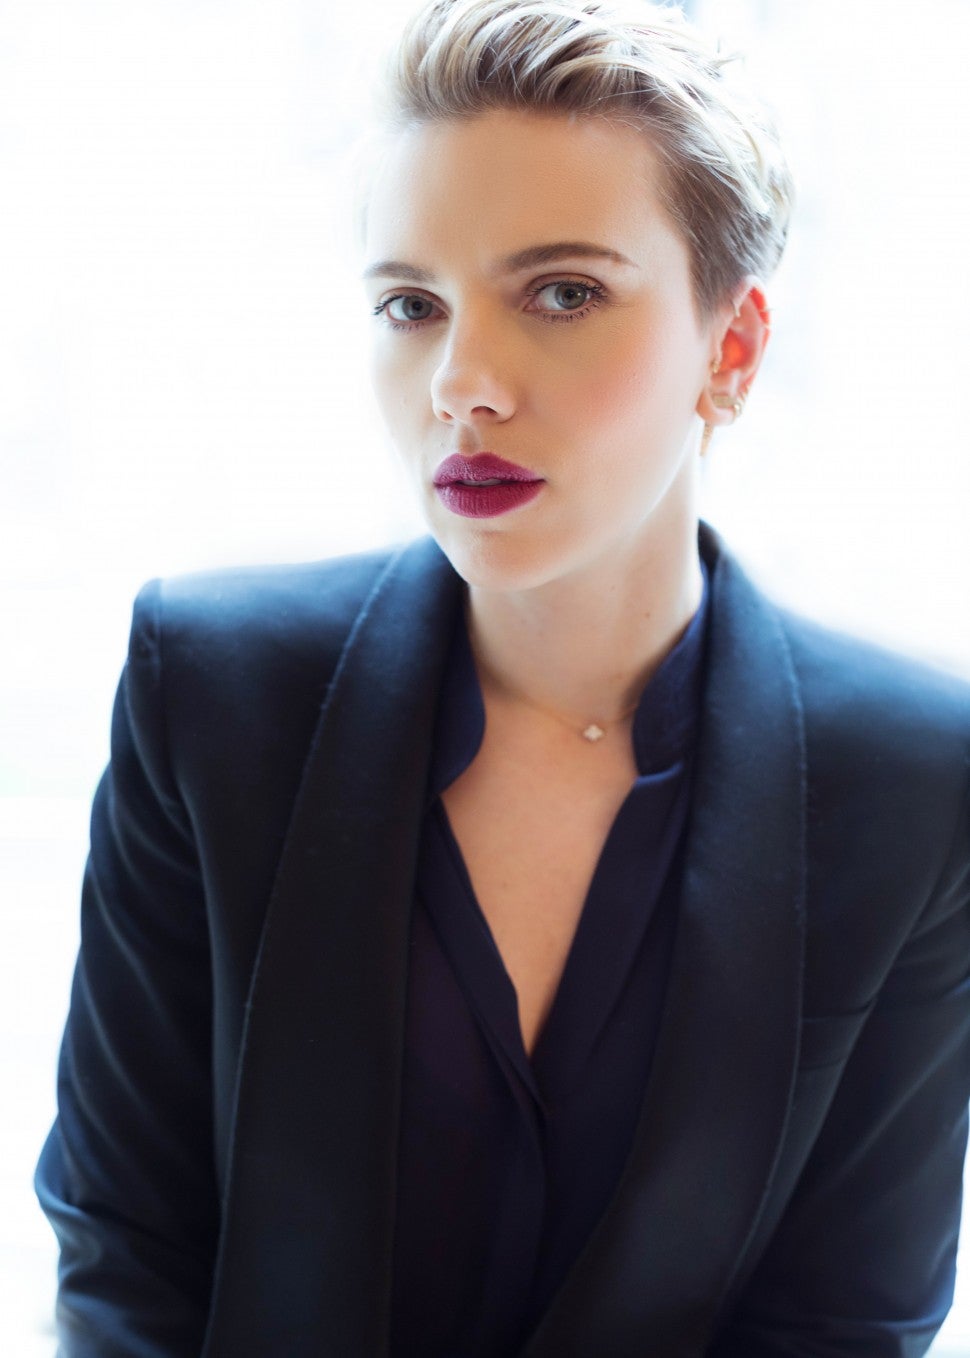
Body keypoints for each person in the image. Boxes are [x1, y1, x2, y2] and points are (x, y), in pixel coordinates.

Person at [36, 0, 970, 1354]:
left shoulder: (916, 779)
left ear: (732, 348)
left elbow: (845, 1321)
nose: (461, 384)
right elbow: (127, 1255)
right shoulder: (211, 694)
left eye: (563, 292)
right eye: (411, 305)